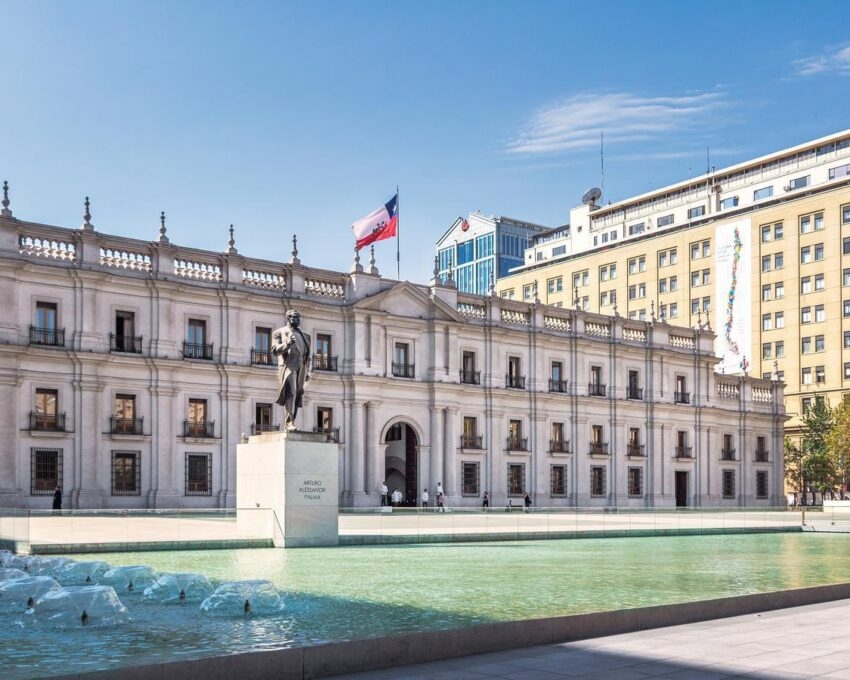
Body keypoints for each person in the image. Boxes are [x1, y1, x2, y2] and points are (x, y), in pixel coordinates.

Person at [271, 310, 311, 431]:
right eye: (295, 318)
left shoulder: (306, 336)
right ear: (288, 318)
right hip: (288, 366)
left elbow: (306, 355)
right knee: (291, 393)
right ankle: (289, 423)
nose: (298, 320)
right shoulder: (279, 333)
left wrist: (307, 371)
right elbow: (274, 350)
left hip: (301, 368)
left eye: (299, 318)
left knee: (298, 396)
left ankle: (292, 422)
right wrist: (287, 344)